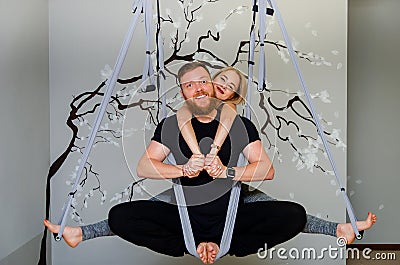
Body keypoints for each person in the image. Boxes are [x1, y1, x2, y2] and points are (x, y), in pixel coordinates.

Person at [44, 64, 377, 260]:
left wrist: (228, 171)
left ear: (220, 91)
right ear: (185, 92)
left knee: (291, 214)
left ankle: (224, 245)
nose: (199, 88)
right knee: (122, 215)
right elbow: (145, 167)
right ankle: (195, 245)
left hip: (233, 209)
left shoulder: (241, 124)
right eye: (189, 85)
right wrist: (181, 169)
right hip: (183, 211)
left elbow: (266, 169)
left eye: (203, 81)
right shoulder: (173, 124)